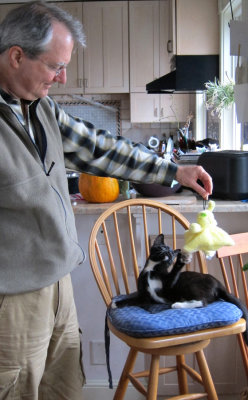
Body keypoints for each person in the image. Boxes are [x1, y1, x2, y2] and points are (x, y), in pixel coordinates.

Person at [0, 1, 213, 399]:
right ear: (16, 56)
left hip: (58, 284)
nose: (62, 78)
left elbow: (102, 149)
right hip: (12, 300)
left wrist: (173, 170)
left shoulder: (41, 109)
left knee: (61, 385)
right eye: (54, 66)